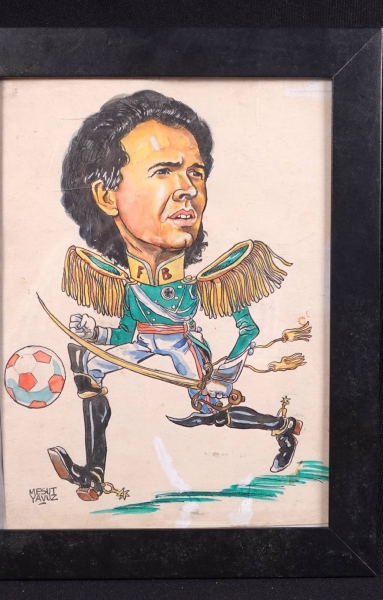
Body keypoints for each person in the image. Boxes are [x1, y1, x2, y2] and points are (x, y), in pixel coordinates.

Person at [47, 90, 302, 501]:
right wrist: (94, 332)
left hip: (182, 345)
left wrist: (223, 375)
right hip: (144, 342)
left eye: (196, 173)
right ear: (107, 196)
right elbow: (125, 334)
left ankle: (282, 427)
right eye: (164, 171)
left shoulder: (215, 282)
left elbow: (248, 330)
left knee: (209, 409)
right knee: (88, 367)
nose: (188, 189)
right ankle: (94, 472)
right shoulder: (126, 287)